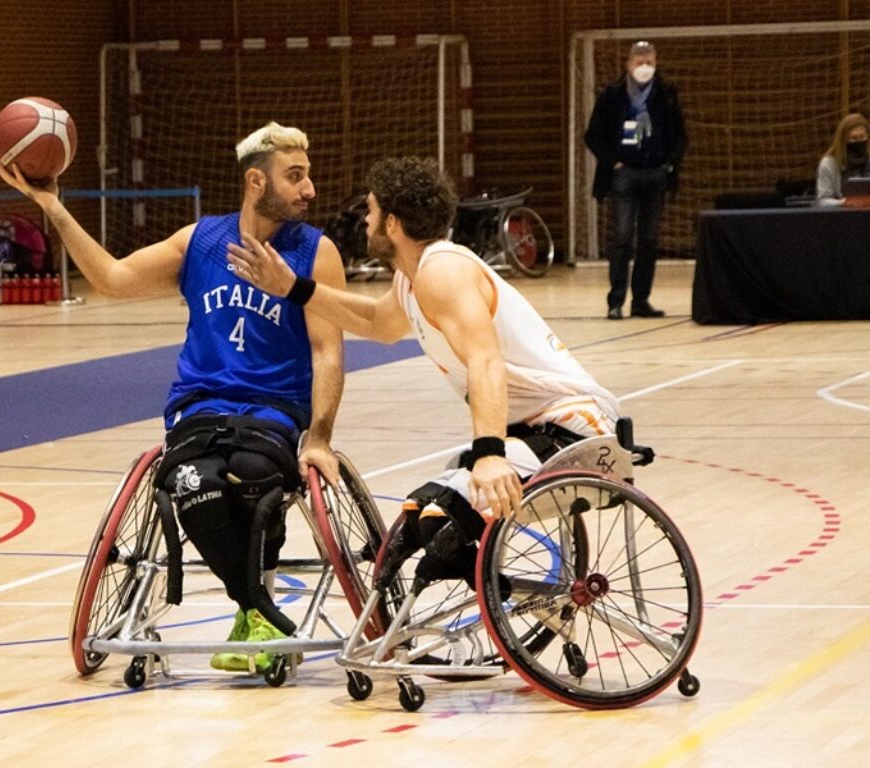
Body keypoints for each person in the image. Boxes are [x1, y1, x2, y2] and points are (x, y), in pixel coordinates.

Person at [0, 122, 346, 672]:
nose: (310, 189)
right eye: (295, 176)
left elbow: (327, 350)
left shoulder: (315, 252)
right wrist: (53, 206)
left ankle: (253, 615)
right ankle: (256, 609)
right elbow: (112, 278)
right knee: (192, 483)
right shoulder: (200, 242)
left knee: (254, 474)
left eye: (308, 176)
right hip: (200, 410)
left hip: (273, 411)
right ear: (256, 182)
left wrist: (320, 436)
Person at [228, 156, 623, 586]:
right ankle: (495, 604)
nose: (366, 220)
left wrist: (490, 454)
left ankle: (501, 600)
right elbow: (378, 323)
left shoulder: (443, 270)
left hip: (576, 429)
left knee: (444, 516)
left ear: (393, 224)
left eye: (373, 211)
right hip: (534, 431)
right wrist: (293, 288)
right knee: (424, 518)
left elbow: (484, 359)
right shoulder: (413, 277)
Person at [585, 40, 687, 320]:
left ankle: (641, 300)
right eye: (639, 62)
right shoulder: (612, 96)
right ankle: (615, 300)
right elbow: (592, 135)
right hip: (624, 174)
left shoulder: (666, 94)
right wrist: (613, 162)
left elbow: (680, 135)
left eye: (649, 63)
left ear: (656, 64)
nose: (645, 68)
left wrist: (668, 164)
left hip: (655, 173)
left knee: (649, 239)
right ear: (628, 65)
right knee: (622, 237)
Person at [815, 112, 870, 206]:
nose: (859, 142)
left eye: (862, 137)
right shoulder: (829, 163)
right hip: (841, 215)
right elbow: (822, 201)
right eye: (853, 138)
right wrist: (845, 202)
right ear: (843, 139)